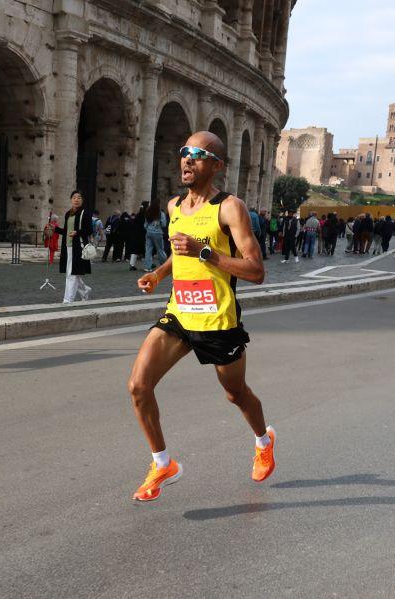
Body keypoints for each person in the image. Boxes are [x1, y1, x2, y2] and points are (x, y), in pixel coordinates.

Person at [128, 131, 274, 502]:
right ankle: (163, 463)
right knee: (138, 386)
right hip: (180, 314)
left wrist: (205, 252)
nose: (187, 159)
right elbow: (180, 253)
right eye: (184, 152)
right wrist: (159, 274)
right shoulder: (176, 206)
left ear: (216, 166)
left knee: (235, 394)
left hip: (218, 321)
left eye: (198, 154)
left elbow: (256, 271)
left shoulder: (230, 208)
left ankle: (263, 439)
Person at [55, 190, 93, 302]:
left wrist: (78, 232)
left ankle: (68, 300)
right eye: (74, 197)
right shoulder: (68, 213)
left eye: (79, 197)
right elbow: (66, 231)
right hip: (67, 247)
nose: (76, 199)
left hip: (78, 247)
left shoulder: (85, 213)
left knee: (72, 274)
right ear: (71, 200)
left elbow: (89, 230)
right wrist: (55, 229)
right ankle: (84, 290)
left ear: (82, 200)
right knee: (72, 272)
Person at [143, 198, 168, 272]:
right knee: (160, 250)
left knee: (148, 250)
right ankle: (164, 265)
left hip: (149, 233)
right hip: (157, 233)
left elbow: (145, 225)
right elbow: (164, 224)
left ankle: (148, 267)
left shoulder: (148, 212)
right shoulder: (160, 213)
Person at [127, 203, 147, 271]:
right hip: (141, 236)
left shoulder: (137, 216)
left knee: (135, 251)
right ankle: (148, 264)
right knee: (145, 250)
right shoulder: (144, 216)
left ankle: (132, 265)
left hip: (136, 235)